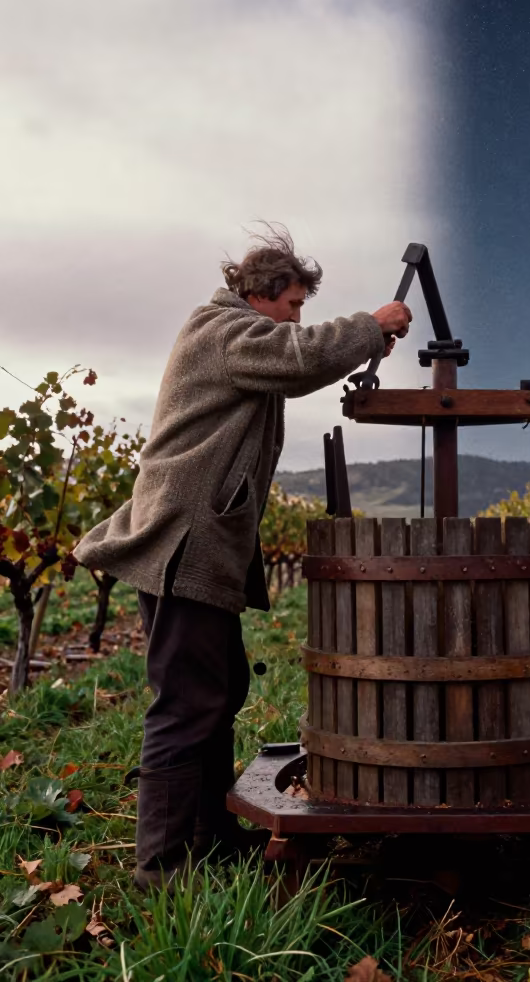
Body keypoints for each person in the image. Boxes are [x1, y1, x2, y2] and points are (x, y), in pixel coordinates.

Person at [73, 227, 412, 889]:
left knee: (220, 691)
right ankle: (162, 868)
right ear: (259, 294)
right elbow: (299, 357)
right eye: (292, 306)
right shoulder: (222, 332)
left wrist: (358, 342)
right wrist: (371, 327)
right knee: (185, 704)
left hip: (199, 550)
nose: (295, 319)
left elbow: (296, 361)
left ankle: (210, 835)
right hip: (183, 546)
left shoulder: (237, 338)